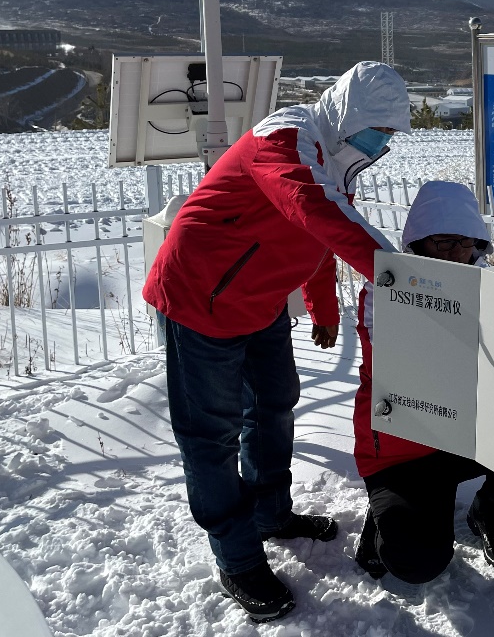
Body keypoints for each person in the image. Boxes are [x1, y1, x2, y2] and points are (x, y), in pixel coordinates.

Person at [143, 61, 410, 624]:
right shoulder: (283, 139)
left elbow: (314, 231)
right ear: (347, 113)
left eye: (389, 133)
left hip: (257, 304)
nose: (382, 142)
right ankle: (237, 559)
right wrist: (403, 277)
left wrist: (323, 306)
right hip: (200, 299)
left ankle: (270, 514)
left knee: (272, 407)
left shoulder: (333, 161)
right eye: (378, 128)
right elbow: (310, 207)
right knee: (210, 434)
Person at [350, 180, 494, 587]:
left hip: (469, 435)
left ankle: (489, 509)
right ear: (418, 242)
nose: (458, 253)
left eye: (468, 243)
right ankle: (384, 517)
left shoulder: (493, 290)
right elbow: (414, 362)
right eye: (445, 242)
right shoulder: (385, 291)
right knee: (417, 561)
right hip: (405, 449)